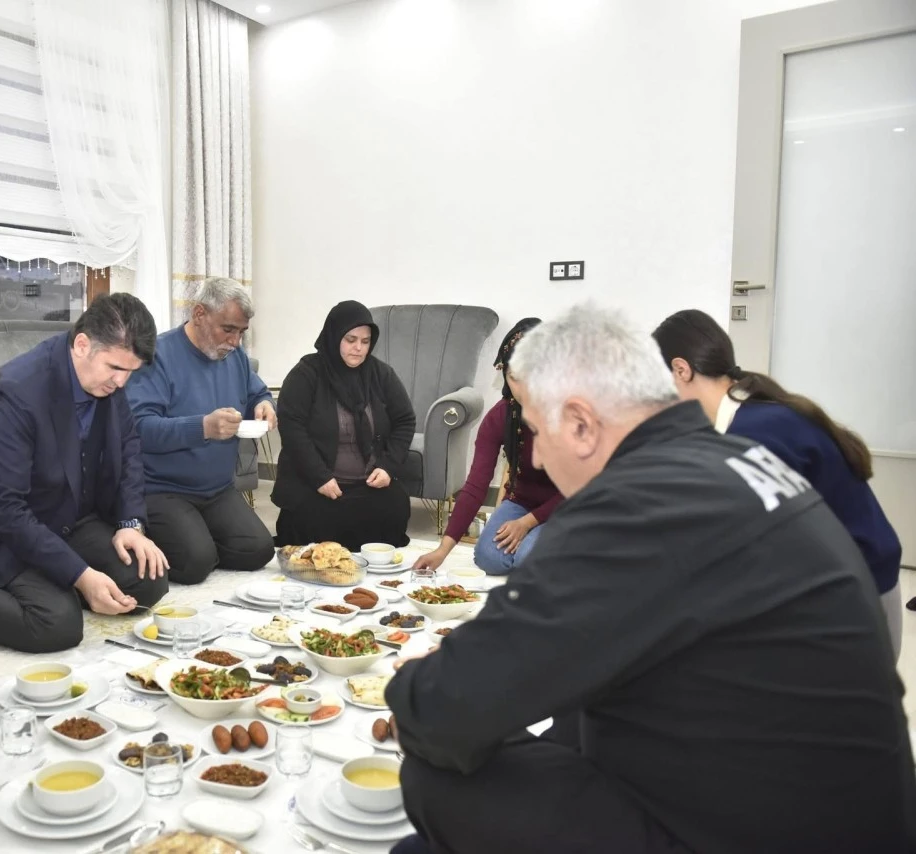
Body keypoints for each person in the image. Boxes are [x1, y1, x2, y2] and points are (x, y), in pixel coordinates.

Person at [386, 304, 916, 854]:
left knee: (437, 777)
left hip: (760, 827)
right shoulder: (740, 459)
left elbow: (447, 706)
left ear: (582, 423)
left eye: (539, 432)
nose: (537, 453)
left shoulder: (635, 506)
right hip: (822, 800)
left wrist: (417, 695)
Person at [653, 309, 904, 658]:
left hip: (854, 598)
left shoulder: (754, 434)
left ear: (681, 370)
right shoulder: (757, 413)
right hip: (857, 580)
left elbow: (754, 551)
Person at [0, 294, 170, 652]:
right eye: (115, 369)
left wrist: (130, 524)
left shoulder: (105, 378)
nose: (121, 383)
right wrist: (80, 575)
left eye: (130, 373)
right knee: (58, 624)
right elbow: (5, 511)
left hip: (68, 516)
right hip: (3, 533)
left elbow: (129, 447)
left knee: (148, 580)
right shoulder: (15, 392)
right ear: (82, 344)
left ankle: (61, 581)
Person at [125, 277, 277, 584]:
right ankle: (178, 543)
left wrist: (265, 404)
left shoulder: (234, 357)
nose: (235, 341)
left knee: (260, 550)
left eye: (241, 332)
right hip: (162, 489)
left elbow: (257, 392)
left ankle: (197, 541)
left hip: (218, 489)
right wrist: (202, 427)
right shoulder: (157, 356)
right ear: (199, 314)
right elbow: (139, 429)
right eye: (228, 329)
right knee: (195, 562)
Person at [414, 318, 562, 575]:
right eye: (514, 378)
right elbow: (476, 486)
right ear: (504, 373)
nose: (523, 389)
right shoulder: (501, 416)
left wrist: (527, 524)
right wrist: (443, 549)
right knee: (488, 558)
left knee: (527, 557)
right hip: (522, 502)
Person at [271, 300, 415, 551]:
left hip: (366, 484)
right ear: (334, 335)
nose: (359, 348)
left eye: (366, 341)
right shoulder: (307, 374)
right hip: (319, 485)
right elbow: (293, 428)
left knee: (395, 506)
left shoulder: (381, 374)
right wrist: (320, 478)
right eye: (351, 339)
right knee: (316, 525)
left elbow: (405, 420)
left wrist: (388, 467)